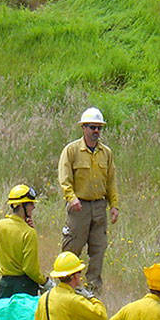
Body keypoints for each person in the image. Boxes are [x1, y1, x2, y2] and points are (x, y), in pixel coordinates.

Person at [58, 107, 119, 293]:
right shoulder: (72, 150)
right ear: (83, 128)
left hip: (99, 207)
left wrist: (114, 205)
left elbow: (111, 181)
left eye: (99, 128)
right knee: (72, 249)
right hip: (79, 208)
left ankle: (93, 290)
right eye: (92, 127)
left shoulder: (106, 153)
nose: (96, 131)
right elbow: (64, 178)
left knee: (98, 250)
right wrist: (71, 198)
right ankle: (64, 287)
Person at [0, 184, 44, 299]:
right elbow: (30, 269)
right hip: (24, 287)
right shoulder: (29, 233)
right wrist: (44, 281)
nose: (33, 207)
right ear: (22, 206)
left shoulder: (0, 225)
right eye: (31, 203)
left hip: (5, 286)